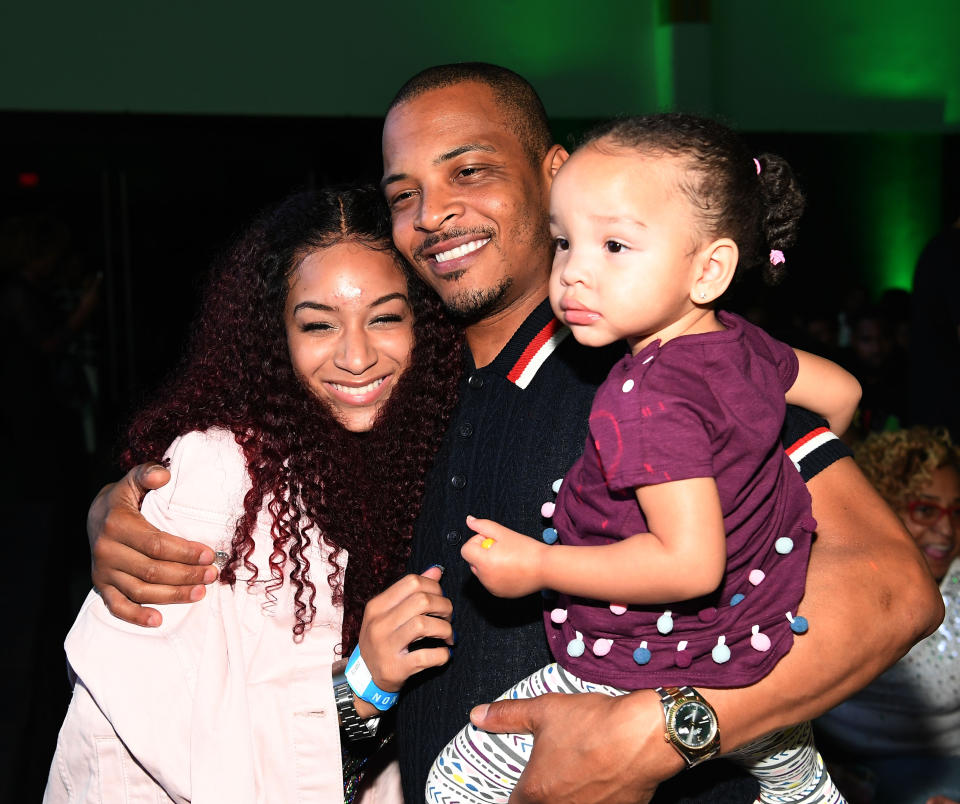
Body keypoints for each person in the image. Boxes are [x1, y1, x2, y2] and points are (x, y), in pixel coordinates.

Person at [86, 64, 943, 803]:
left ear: (553, 171)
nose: (435, 214)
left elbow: (888, 587)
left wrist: (660, 734)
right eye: (404, 195)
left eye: (470, 172)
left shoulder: (665, 361)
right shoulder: (405, 384)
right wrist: (128, 507)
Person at [426, 113, 860, 803]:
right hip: (755, 635)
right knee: (790, 773)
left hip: (641, 660)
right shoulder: (740, 345)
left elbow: (689, 564)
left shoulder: (642, 399)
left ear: (710, 267)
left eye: (615, 245)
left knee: (455, 785)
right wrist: (763, 492)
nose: (573, 274)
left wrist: (536, 565)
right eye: (565, 243)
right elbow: (843, 393)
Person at [45, 187, 463, 803]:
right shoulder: (217, 472)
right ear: (274, 337)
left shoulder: (410, 456)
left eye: (384, 317)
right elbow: (170, 740)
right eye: (318, 324)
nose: (356, 356)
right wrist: (364, 687)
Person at [816, 427, 960, 804]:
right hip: (834, 762)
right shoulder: (829, 580)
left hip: (942, 765)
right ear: (881, 509)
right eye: (925, 510)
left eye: (957, 512)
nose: (946, 530)